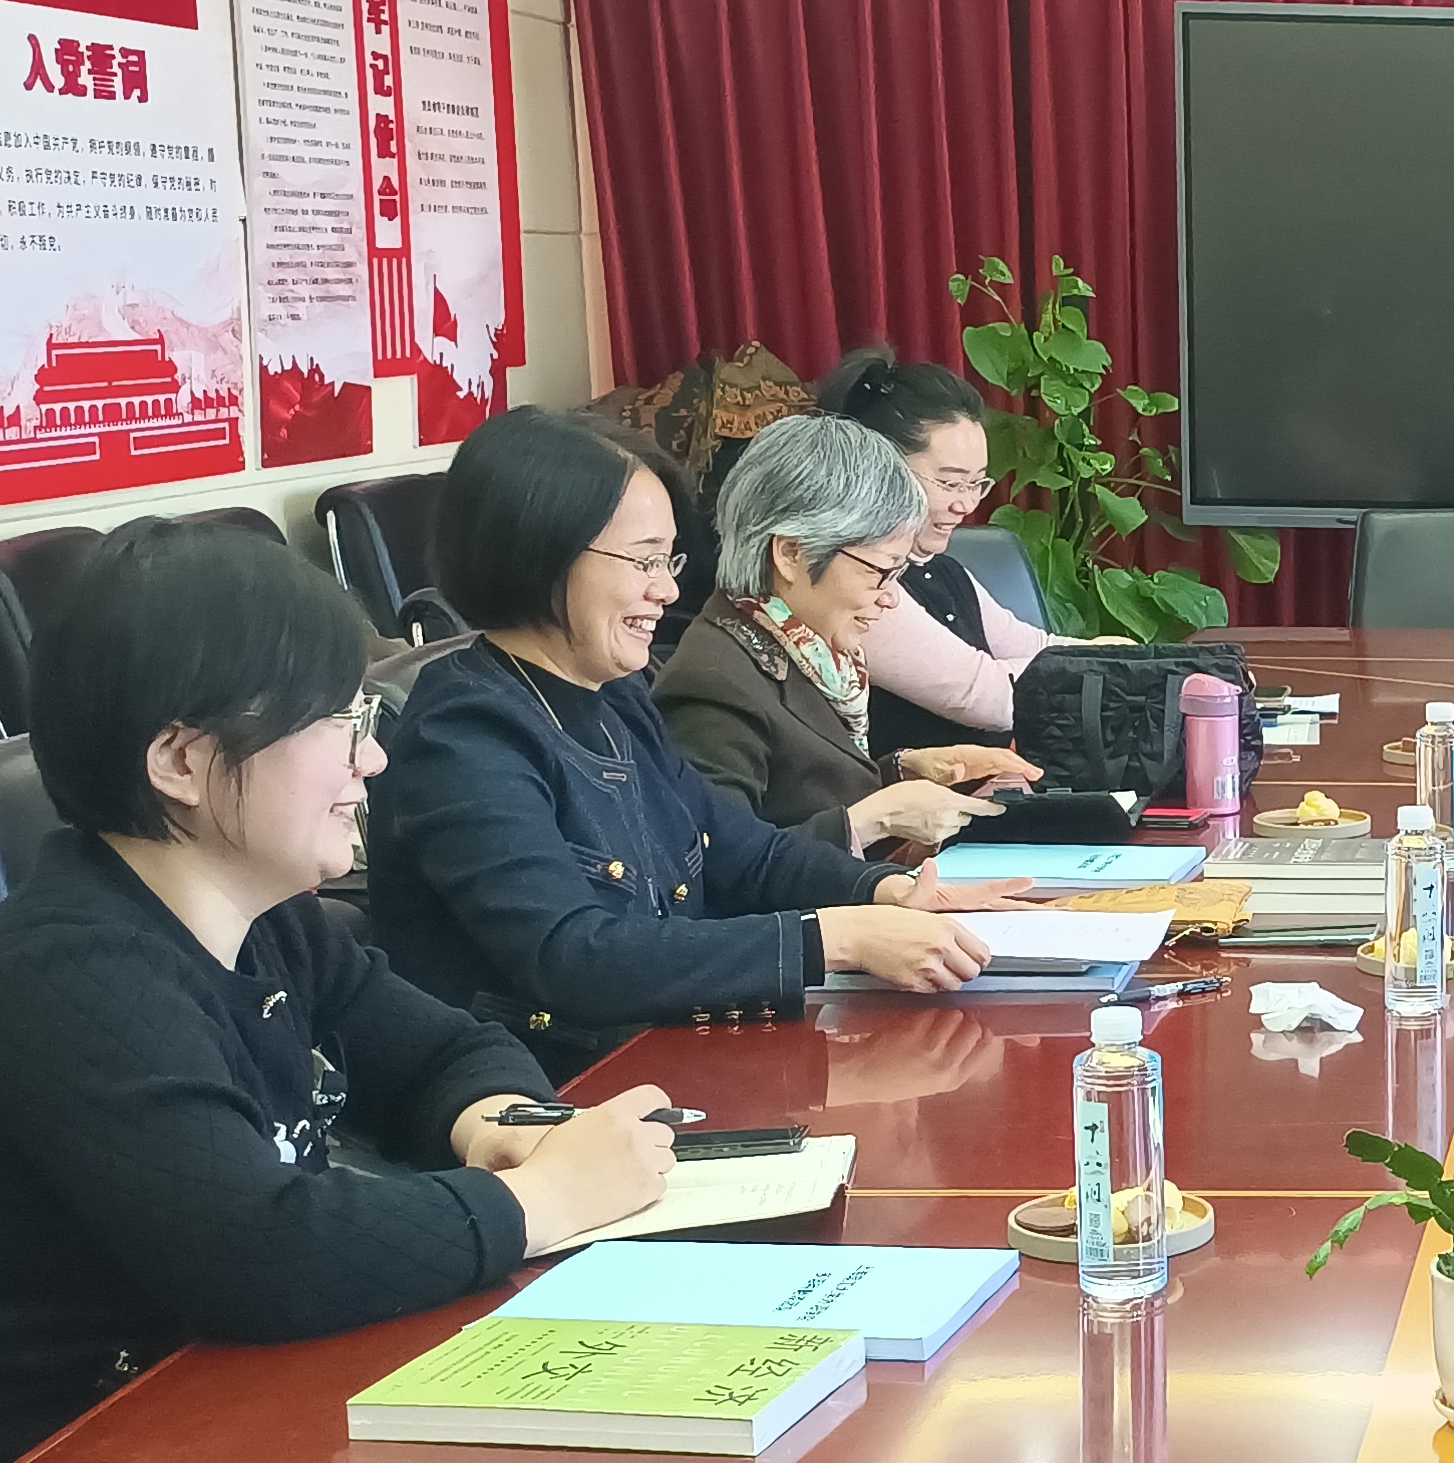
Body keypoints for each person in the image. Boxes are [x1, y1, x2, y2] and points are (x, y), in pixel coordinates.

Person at [0, 521, 682, 1463]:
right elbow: (264, 1253)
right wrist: (541, 1199)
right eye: (338, 721)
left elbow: (440, 1051)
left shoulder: (264, 918)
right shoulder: (72, 975)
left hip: (131, 1425)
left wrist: (502, 1125)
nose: (373, 757)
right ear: (184, 761)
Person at [367, 408, 1028, 1079]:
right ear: (541, 554)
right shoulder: (465, 736)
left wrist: (886, 890)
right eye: (644, 560)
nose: (668, 589)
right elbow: (573, 955)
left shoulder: (615, 696)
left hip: (668, 1056)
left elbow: (741, 850)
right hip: (559, 1091)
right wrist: (835, 938)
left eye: (669, 560)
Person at [656, 413, 1045, 846]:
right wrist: (877, 819)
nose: (890, 597)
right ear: (791, 554)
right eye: (879, 572)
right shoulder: (715, 681)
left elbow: (806, 796)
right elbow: (719, 859)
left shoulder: (810, 652)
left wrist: (903, 771)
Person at [818, 347, 1082, 750]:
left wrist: (1124, 658)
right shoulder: (859, 583)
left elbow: (1036, 647)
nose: (967, 504)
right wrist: (1110, 671)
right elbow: (984, 694)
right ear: (882, 469)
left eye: (976, 484)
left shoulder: (941, 569)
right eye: (951, 483)